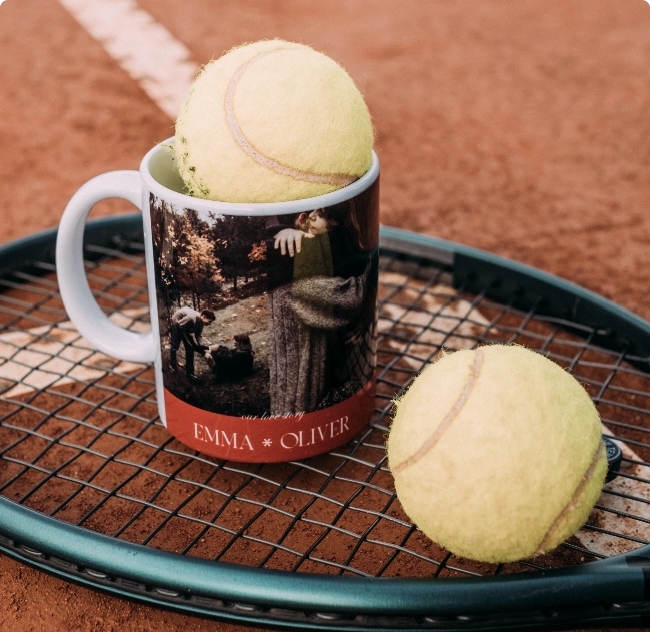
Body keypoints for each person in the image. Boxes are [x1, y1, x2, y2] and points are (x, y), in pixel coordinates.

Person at [169, 306, 215, 381]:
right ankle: (172, 365)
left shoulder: (201, 323)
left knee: (190, 350)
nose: (209, 324)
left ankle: (190, 373)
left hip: (185, 327)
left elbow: (198, 336)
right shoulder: (192, 317)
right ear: (204, 317)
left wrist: (202, 347)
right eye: (209, 321)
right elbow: (179, 325)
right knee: (175, 346)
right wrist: (187, 341)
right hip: (177, 325)